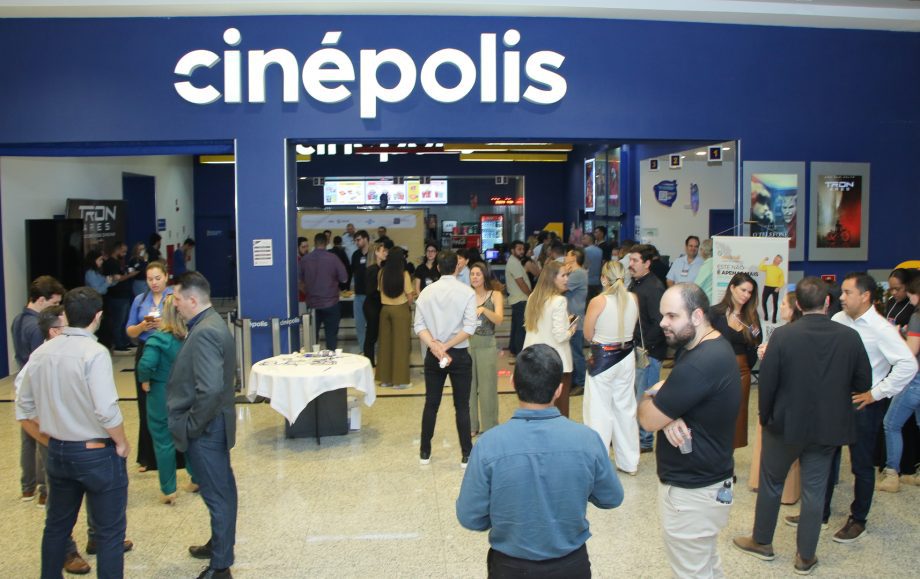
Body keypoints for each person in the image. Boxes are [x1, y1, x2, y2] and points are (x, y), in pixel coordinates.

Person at [732, 277, 872, 576]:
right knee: (814, 491)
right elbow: (864, 382)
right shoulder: (849, 337)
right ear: (827, 302)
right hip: (827, 428)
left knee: (771, 483)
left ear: (798, 305)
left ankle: (762, 542)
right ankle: (805, 557)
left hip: (784, 424)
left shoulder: (783, 336)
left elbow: (768, 382)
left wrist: (765, 416)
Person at [456, 344, 624, 578]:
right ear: (559, 390)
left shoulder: (489, 444)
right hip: (571, 565)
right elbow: (611, 498)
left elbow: (469, 516)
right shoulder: (587, 440)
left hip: (510, 566)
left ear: (513, 383)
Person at [17, 286, 131, 579]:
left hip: (57, 452)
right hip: (96, 453)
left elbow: (25, 406)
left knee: (56, 527)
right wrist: (121, 442)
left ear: (65, 315)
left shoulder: (42, 352)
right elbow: (106, 410)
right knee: (109, 532)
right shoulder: (95, 353)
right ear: (98, 316)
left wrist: (51, 434)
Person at [638, 283, 740, 579]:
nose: (663, 323)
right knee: (706, 565)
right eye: (662, 315)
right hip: (710, 484)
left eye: (672, 316)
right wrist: (670, 416)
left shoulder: (699, 363)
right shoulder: (707, 346)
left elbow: (647, 420)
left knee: (692, 572)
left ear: (697, 316)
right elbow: (681, 401)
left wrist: (651, 396)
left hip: (692, 493)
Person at [822, 272, 917, 542]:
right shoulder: (838, 319)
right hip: (835, 402)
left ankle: (858, 519)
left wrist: (877, 393)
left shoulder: (880, 329)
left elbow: (908, 364)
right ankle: (820, 512)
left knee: (861, 464)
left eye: (847, 292)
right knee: (826, 458)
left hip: (864, 405)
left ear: (865, 296)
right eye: (842, 291)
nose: (841, 297)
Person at [169, 271, 238, 579]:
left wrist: (192, 426)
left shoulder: (204, 332)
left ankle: (220, 566)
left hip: (207, 429)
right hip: (214, 425)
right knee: (222, 489)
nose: (175, 304)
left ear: (192, 300)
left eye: (177, 299)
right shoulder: (210, 323)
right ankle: (218, 544)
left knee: (218, 495)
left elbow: (209, 390)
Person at [414, 250, 477, 467]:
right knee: (462, 406)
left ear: (438, 267)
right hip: (458, 353)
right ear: (457, 267)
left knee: (431, 403)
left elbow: (419, 326)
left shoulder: (426, 292)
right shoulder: (467, 292)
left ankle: (424, 452)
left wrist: (435, 346)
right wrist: (447, 346)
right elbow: (470, 328)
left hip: (434, 355)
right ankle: (466, 455)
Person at [136, 294, 197, 504]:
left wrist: (145, 380)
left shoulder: (158, 339)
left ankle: (169, 489)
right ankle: (197, 478)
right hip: (188, 393)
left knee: (163, 441)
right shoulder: (192, 337)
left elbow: (146, 364)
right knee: (188, 438)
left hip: (162, 395)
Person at [11, 275, 65, 503]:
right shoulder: (37, 327)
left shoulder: (17, 320)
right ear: (42, 300)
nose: (57, 310)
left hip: (24, 385)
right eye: (54, 303)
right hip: (37, 388)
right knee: (43, 439)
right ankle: (44, 490)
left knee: (27, 439)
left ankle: (28, 487)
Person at [582, 260, 640, 475]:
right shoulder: (633, 298)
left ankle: (598, 463)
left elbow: (588, 334)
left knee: (598, 410)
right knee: (625, 408)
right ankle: (629, 462)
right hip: (626, 357)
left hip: (602, 358)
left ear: (603, 279)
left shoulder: (598, 301)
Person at [749, 292, 802, 503]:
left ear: (795, 307)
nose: (780, 307)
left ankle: (783, 491)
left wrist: (768, 355)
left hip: (781, 396)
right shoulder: (785, 331)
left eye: (784, 304)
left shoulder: (787, 333)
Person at [125, 260, 172, 473]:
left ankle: (176, 455)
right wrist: (142, 326)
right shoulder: (140, 300)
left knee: (169, 402)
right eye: (150, 279)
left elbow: (184, 326)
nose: (154, 283)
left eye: (158, 278)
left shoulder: (173, 297)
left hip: (168, 349)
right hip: (146, 348)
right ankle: (148, 457)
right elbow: (129, 331)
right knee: (146, 404)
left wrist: (164, 324)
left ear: (166, 277)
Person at [709, 272, 762, 449]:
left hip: (742, 371)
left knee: (738, 414)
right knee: (716, 411)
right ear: (732, 288)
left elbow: (756, 342)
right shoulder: (714, 313)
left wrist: (747, 364)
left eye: (750, 292)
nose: (746, 295)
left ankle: (729, 454)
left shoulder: (751, 316)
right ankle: (715, 452)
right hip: (717, 370)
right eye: (743, 290)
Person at [879, 274, 920, 491]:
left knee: (891, 424)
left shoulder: (916, 317)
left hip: (914, 380)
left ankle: (892, 475)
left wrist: (898, 337)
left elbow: (911, 352)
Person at [523, 260, 575, 417]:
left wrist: (565, 321)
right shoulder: (559, 301)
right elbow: (560, 335)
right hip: (557, 362)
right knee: (559, 409)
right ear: (553, 278)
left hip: (534, 359)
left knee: (537, 405)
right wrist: (571, 330)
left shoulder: (533, 297)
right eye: (563, 275)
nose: (566, 279)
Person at [628, 244, 667, 452]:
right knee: (636, 394)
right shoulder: (635, 283)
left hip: (649, 352)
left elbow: (659, 323)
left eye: (635, 261)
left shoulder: (653, 288)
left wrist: (644, 348)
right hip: (638, 348)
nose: (630, 264)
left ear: (647, 264)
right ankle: (637, 435)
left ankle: (645, 440)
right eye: (630, 260)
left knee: (645, 396)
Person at [468, 262, 503, 435]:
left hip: (487, 344)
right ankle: (471, 425)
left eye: (478, 274)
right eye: (472, 274)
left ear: (485, 276)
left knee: (487, 388)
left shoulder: (495, 295)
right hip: (468, 344)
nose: (474, 277)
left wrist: (484, 310)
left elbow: (499, 319)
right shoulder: (466, 295)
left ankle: (490, 426)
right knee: (469, 388)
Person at [300, 232, 348, 350]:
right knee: (331, 337)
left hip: (312, 304)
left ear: (314, 243)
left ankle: (313, 359)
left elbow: (299, 282)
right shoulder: (333, 258)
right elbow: (344, 278)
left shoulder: (305, 259)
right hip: (331, 303)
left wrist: (308, 292)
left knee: (312, 338)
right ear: (326, 243)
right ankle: (330, 358)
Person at [376, 247, 414, 389]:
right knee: (401, 346)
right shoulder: (404, 274)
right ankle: (400, 381)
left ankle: (385, 380)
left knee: (385, 345)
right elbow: (409, 297)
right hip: (400, 310)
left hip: (385, 310)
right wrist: (408, 303)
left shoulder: (381, 273)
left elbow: (380, 290)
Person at [101, 240, 139, 353]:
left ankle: (125, 341)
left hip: (124, 295)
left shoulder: (118, 262)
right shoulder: (110, 263)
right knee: (118, 321)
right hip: (117, 296)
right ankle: (118, 343)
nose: (124, 254)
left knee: (125, 321)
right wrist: (130, 275)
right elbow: (116, 279)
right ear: (117, 250)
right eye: (123, 251)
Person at [564, 246, 589, 395]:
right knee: (572, 351)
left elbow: (560, 287)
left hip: (575, 320)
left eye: (567, 255)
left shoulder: (578, 273)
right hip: (571, 318)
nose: (565, 258)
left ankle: (581, 382)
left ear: (573, 258)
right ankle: (575, 380)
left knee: (576, 352)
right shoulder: (575, 273)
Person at [504, 240, 531, 356]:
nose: (522, 251)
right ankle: (520, 353)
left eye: (523, 249)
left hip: (517, 299)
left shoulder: (514, 262)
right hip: (520, 299)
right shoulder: (514, 263)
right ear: (512, 250)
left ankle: (514, 349)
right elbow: (520, 282)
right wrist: (530, 295)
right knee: (521, 329)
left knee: (516, 327)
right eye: (519, 249)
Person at [362, 242, 387, 365]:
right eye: (383, 251)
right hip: (372, 306)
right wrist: (384, 294)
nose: (385, 253)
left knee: (373, 336)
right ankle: (369, 363)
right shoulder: (373, 270)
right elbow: (370, 291)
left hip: (375, 305)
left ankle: (371, 362)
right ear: (376, 252)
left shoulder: (378, 268)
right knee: (371, 337)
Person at [350, 230, 370, 353]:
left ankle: (372, 350)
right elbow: (353, 273)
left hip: (371, 295)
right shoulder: (355, 255)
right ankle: (363, 350)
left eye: (358, 240)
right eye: (355, 241)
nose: (356, 242)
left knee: (373, 325)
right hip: (358, 295)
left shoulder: (373, 254)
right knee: (359, 325)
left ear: (366, 239)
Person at [759, 255, 785, 324]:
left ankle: (774, 318)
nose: (776, 260)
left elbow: (782, 281)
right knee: (763, 302)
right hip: (767, 287)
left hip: (775, 288)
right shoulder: (768, 267)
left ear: (780, 262)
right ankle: (766, 315)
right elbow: (760, 267)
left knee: (775, 304)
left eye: (778, 260)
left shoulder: (780, 270)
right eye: (776, 258)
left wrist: (778, 287)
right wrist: (764, 260)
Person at [582, 233, 603, 300]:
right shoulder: (600, 251)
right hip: (597, 281)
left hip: (587, 281)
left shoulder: (585, 251)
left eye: (584, 238)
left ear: (589, 240)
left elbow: (584, 266)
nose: (582, 240)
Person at [693, 239, 714, 303]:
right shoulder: (716, 263)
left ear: (703, 251)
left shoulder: (707, 265)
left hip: (707, 302)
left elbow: (696, 286)